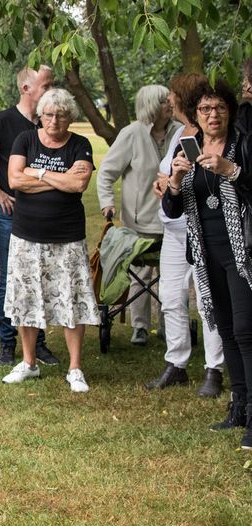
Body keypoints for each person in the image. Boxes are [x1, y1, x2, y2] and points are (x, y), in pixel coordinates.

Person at [162, 80, 252, 451]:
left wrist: (230, 169)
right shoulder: (189, 148)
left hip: (242, 251)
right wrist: (176, 180)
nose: (212, 115)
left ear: (229, 111)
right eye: (205, 109)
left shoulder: (242, 143)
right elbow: (172, 209)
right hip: (205, 251)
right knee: (227, 330)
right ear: (195, 114)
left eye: (219, 108)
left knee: (247, 330)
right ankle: (240, 407)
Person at [0, 65, 60, 367]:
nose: (51, 91)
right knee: (11, 276)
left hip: (45, 212)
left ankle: (39, 344)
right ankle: (7, 344)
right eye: (46, 85)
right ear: (26, 89)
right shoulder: (3, 121)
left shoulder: (47, 124)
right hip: (12, 212)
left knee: (40, 276)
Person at [1, 88, 98, 392]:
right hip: (27, 235)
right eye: (49, 114)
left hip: (67, 237)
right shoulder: (25, 139)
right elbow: (15, 180)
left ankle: (75, 368)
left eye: (61, 115)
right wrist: (59, 179)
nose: (54, 120)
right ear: (40, 116)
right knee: (27, 299)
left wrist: (38, 173)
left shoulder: (80, 144)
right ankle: (29, 363)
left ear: (70, 117)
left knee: (72, 299)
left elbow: (79, 182)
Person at [147, 75, 225, 396]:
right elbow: (167, 171)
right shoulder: (180, 132)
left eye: (173, 95)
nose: (169, 100)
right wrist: (163, 183)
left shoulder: (211, 135)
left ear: (183, 98)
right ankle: (176, 363)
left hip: (202, 229)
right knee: (170, 297)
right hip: (173, 229)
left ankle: (214, 369)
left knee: (208, 300)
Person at [97, 85, 177, 347]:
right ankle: (140, 327)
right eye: (164, 100)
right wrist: (107, 203)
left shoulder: (179, 132)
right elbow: (106, 173)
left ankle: (170, 326)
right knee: (140, 274)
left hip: (174, 221)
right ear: (152, 105)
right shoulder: (131, 134)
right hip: (140, 221)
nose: (170, 103)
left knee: (172, 277)